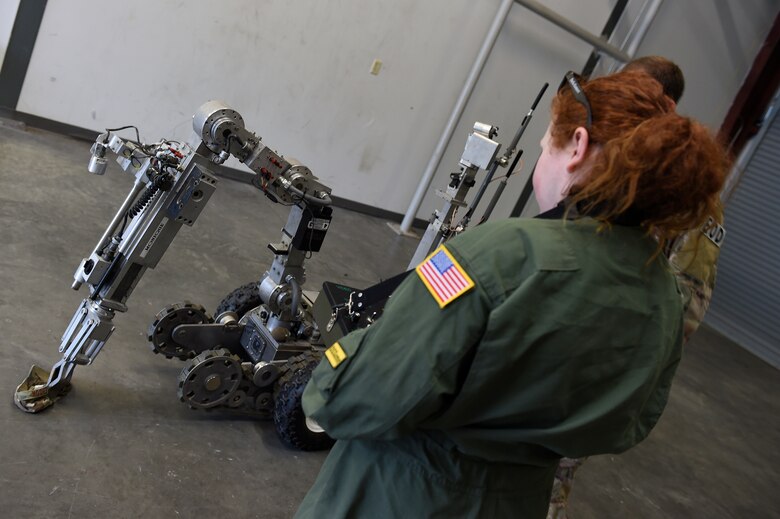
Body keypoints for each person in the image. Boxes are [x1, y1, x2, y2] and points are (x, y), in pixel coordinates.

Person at [296, 70, 728, 518]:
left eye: (545, 146)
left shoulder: (497, 255)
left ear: (577, 147)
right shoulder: (662, 295)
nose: (541, 156)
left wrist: (330, 377)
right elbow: (632, 421)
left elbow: (365, 393)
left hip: (402, 492)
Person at [546, 57, 726, 519]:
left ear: (665, 103)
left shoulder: (685, 184)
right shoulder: (615, 152)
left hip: (604, 350)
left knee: (548, 474)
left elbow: (686, 305)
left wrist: (623, 361)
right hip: (555, 330)